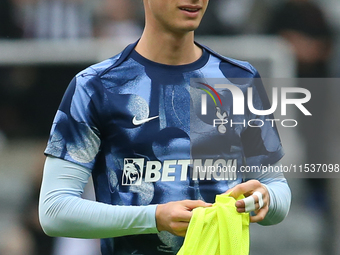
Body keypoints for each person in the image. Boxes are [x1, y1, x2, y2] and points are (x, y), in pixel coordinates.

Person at [39, 1, 291, 254]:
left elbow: (278, 192)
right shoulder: (95, 87)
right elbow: (54, 210)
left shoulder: (240, 80)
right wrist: (155, 217)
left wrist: (263, 198)